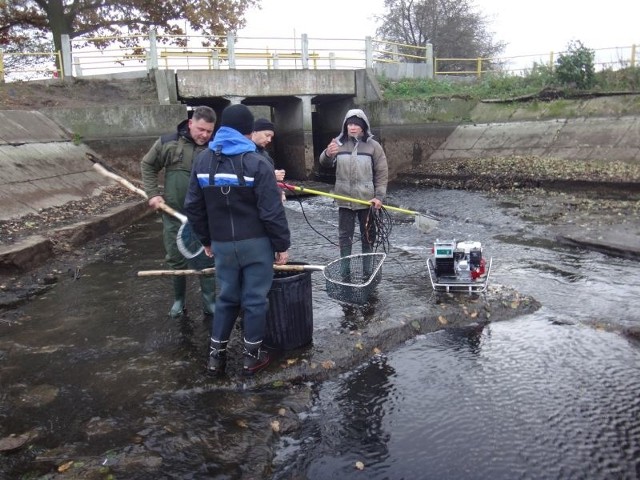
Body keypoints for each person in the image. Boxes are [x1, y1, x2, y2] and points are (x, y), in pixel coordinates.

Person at [184, 104, 291, 376]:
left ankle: (215, 357)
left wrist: (206, 240)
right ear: (248, 132)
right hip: (255, 244)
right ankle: (251, 357)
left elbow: (193, 207)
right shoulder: (257, 162)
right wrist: (282, 245)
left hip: (221, 244)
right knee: (255, 300)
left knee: (227, 298)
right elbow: (271, 211)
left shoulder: (203, 161)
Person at [140, 106, 217, 319]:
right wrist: (153, 194)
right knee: (175, 257)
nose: (204, 135)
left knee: (207, 258)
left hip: (205, 217)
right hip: (173, 215)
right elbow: (147, 165)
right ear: (191, 123)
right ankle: (178, 301)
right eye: (201, 129)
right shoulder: (168, 143)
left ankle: (209, 303)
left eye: (209, 131)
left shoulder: (215, 149)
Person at [318, 108, 389, 265]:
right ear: (345, 126)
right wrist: (328, 154)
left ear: (363, 126)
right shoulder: (337, 144)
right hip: (344, 200)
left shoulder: (374, 146)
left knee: (369, 235)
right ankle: (345, 271)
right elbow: (324, 163)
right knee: (345, 237)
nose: (352, 127)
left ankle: (367, 270)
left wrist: (379, 197)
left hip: (367, 201)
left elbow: (382, 173)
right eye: (349, 124)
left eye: (356, 125)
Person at [252, 117, 286, 202]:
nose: (269, 140)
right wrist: (272, 176)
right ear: (254, 132)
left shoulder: (265, 154)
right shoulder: (245, 153)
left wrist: (278, 191)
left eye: (271, 137)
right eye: (267, 135)